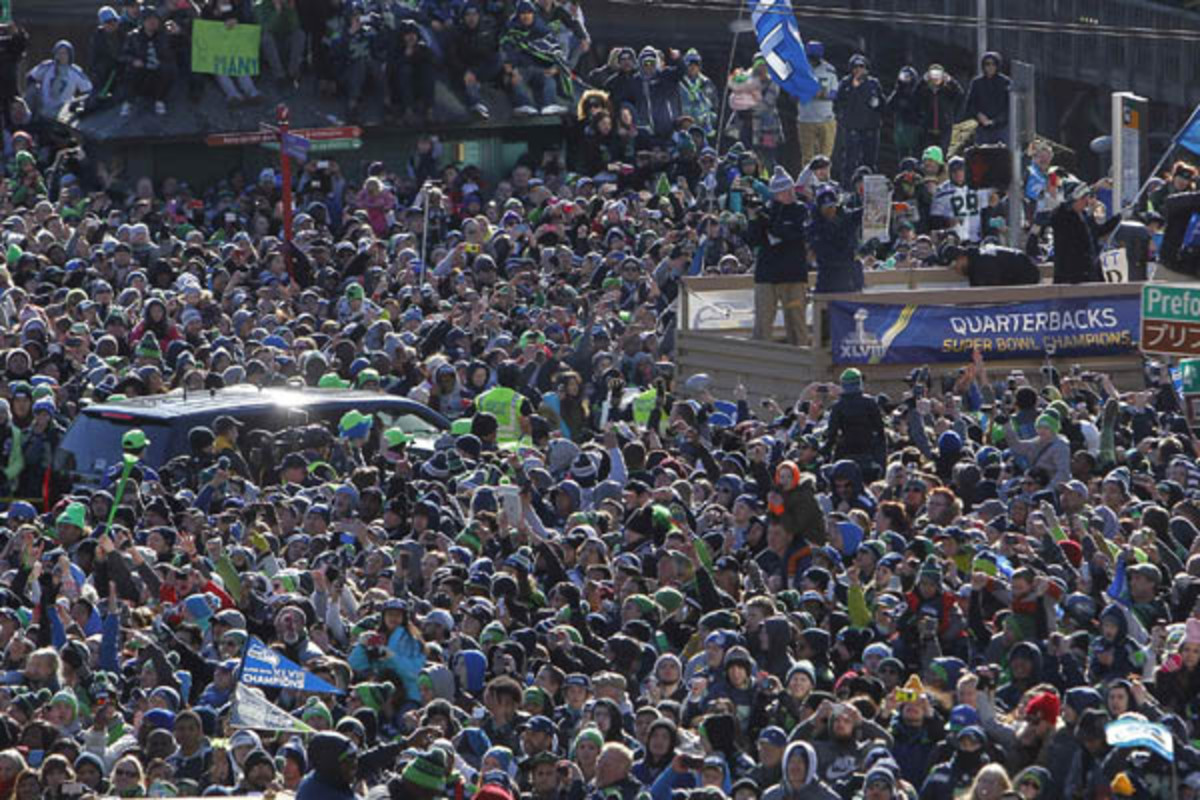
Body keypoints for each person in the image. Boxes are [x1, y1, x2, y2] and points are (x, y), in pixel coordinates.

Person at [752, 167, 809, 347]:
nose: (789, 194)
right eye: (784, 191)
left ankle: (802, 361)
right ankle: (761, 362)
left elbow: (793, 234)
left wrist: (771, 223)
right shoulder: (765, 210)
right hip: (767, 276)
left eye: (790, 189)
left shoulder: (800, 210)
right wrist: (754, 218)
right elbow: (753, 239)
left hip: (793, 276)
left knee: (796, 322)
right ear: (775, 193)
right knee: (763, 322)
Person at [1049, 179, 1121, 283]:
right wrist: (1094, 187)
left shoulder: (1084, 216)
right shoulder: (1061, 216)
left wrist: (1118, 219)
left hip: (1088, 273)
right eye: (1083, 199)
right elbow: (1056, 215)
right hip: (1069, 277)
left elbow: (1098, 232)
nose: (1086, 203)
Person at [826, 368, 886, 480]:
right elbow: (880, 431)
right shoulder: (870, 403)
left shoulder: (838, 406)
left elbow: (831, 434)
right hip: (869, 455)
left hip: (845, 455)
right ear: (860, 383)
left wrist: (825, 451)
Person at [833, 54, 884, 185]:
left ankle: (870, 187)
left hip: (870, 129)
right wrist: (853, 89)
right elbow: (838, 103)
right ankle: (847, 187)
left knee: (870, 161)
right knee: (850, 160)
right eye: (855, 67)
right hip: (852, 128)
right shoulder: (845, 83)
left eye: (862, 67)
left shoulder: (873, 83)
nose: (859, 70)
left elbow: (883, 105)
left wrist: (877, 104)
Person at [120, 7, 175, 117]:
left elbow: (173, 52)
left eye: (155, 20)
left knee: (169, 69)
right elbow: (123, 55)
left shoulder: (164, 36)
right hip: (141, 68)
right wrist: (133, 60)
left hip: (158, 68)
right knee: (131, 72)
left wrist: (178, 32)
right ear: (143, 21)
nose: (152, 23)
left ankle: (160, 100)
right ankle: (128, 102)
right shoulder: (133, 36)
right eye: (149, 20)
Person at [25, 40, 93, 120]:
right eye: (58, 53)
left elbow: (88, 89)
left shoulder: (75, 71)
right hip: (43, 107)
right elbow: (31, 77)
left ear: (70, 55)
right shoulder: (47, 66)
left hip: (62, 112)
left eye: (64, 53)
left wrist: (75, 102)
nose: (61, 56)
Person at [795, 41, 838, 164]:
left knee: (826, 157)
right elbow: (792, 94)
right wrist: (804, 94)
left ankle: (824, 182)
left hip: (826, 118)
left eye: (815, 57)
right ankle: (808, 182)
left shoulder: (829, 70)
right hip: (805, 119)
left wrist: (823, 95)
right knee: (808, 158)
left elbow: (835, 93)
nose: (812, 61)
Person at [962, 52, 1010, 146]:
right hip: (982, 129)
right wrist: (978, 115)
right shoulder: (977, 83)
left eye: (993, 64)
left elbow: (1010, 108)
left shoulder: (1006, 82)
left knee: (1002, 156)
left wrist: (995, 121)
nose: (990, 67)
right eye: (987, 64)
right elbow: (970, 104)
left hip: (1001, 129)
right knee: (982, 157)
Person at [915, 63, 963, 156]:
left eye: (938, 74)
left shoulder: (947, 90)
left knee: (943, 153)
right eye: (933, 74)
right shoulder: (925, 90)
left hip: (944, 128)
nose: (935, 78)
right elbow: (915, 96)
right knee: (927, 154)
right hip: (928, 128)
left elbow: (960, 95)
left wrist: (951, 80)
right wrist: (923, 80)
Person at [255, 0, 305, 89]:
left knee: (299, 34)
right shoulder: (260, 4)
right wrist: (277, 12)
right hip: (272, 43)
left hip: (286, 40)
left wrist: (288, 9)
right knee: (266, 38)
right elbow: (265, 28)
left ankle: (292, 71)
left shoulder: (287, 3)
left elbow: (295, 25)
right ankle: (279, 75)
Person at [940, 243, 1040, 286]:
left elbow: (991, 293)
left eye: (955, 266)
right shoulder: (975, 261)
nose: (956, 270)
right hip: (1020, 274)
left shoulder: (982, 262)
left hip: (1026, 275)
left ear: (961, 258)